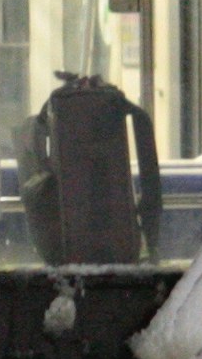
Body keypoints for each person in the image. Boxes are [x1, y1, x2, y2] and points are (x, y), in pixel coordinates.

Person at [20, 70, 162, 263]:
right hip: (119, 249)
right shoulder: (128, 113)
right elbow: (151, 183)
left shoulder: (56, 112)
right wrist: (151, 244)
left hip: (73, 252)